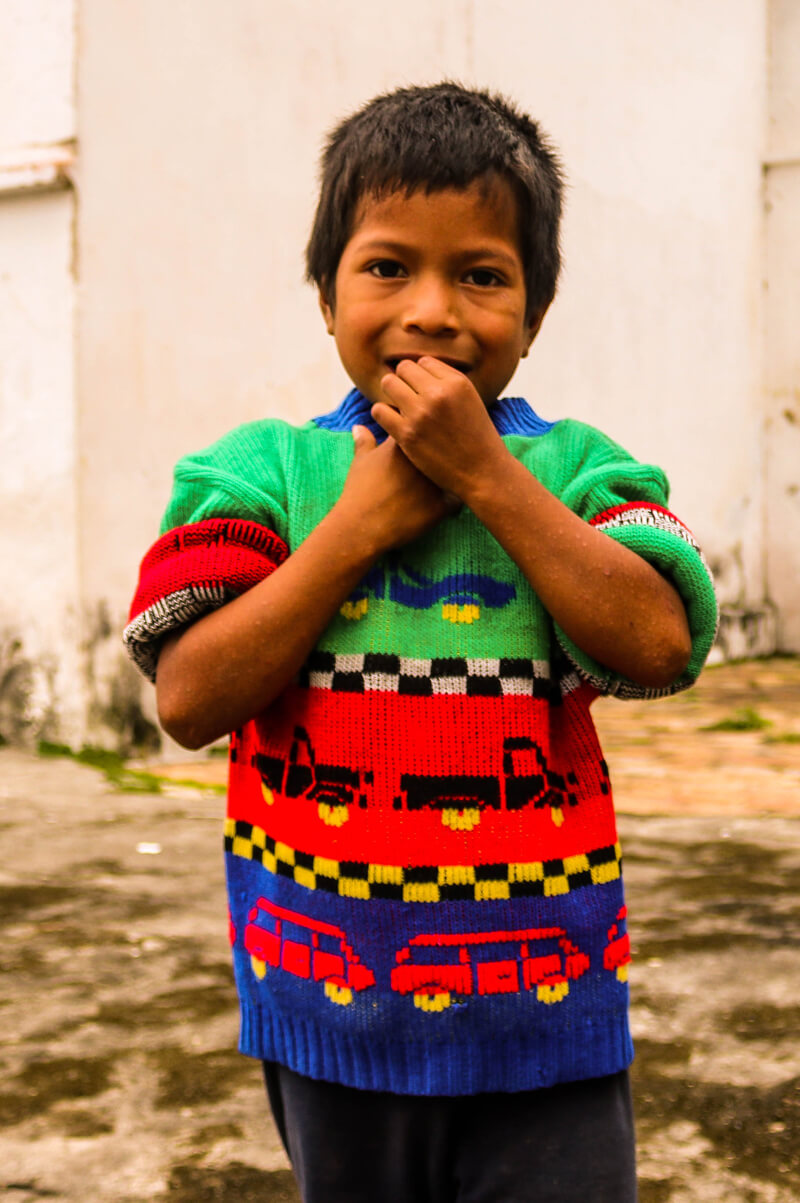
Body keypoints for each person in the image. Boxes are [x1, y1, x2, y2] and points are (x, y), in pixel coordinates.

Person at [124, 82, 718, 1202]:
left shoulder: (574, 473)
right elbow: (191, 697)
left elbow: (659, 643)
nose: (433, 310)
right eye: (387, 266)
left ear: (533, 316)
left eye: (481, 275)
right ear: (326, 294)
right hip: (326, 1019)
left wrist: (487, 478)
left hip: (545, 1029)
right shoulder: (262, 476)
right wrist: (354, 532)